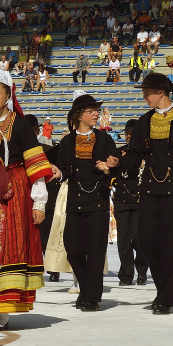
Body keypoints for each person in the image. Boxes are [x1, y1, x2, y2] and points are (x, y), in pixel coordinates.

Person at [0, 70, 52, 329]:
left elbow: (35, 164)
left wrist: (39, 202)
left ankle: (4, 308)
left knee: (10, 245)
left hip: (15, 189)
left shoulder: (21, 125)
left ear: (8, 96)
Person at [119, 72, 173, 315]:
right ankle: (164, 288)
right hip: (149, 188)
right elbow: (134, 155)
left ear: (161, 93)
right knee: (144, 239)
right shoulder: (144, 121)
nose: (144, 97)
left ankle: (165, 297)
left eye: (147, 93)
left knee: (170, 243)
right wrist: (116, 162)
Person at [56, 93, 119, 311]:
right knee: (72, 249)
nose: (95, 115)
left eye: (96, 111)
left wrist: (109, 168)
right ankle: (85, 289)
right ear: (78, 115)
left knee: (95, 251)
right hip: (75, 200)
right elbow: (62, 168)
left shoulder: (105, 140)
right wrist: (57, 173)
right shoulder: (67, 141)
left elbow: (115, 166)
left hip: (98, 200)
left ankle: (92, 297)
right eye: (90, 111)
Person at [112, 119, 148, 286]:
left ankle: (142, 269)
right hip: (122, 199)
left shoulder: (146, 154)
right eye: (126, 134)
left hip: (141, 201)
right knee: (123, 239)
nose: (128, 137)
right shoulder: (118, 153)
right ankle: (126, 274)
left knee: (139, 238)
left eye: (132, 134)